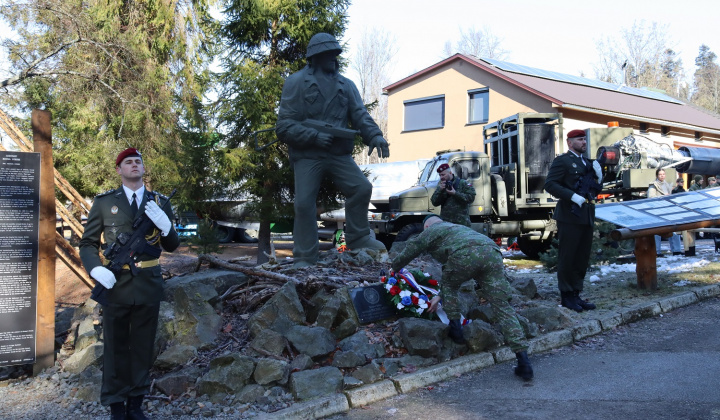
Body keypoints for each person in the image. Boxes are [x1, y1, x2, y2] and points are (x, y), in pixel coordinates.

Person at [79, 148, 179, 420]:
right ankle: (116, 406)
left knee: (143, 346)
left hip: (148, 283)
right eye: (128, 162)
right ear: (119, 170)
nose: (134, 165)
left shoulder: (158, 201)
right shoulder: (103, 203)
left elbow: (172, 245)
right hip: (116, 284)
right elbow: (87, 243)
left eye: (138, 161)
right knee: (115, 347)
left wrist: (166, 225)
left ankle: (135, 404)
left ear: (144, 169)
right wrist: (96, 269)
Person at [275, 33, 389, 268]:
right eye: (329, 54)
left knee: (361, 188)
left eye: (336, 54)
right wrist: (314, 136)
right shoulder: (296, 82)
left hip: (338, 154)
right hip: (308, 155)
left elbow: (359, 114)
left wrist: (375, 135)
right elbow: (284, 126)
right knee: (304, 203)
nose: (334, 59)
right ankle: (305, 256)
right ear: (315, 57)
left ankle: (358, 239)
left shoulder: (346, 85)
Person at [391, 215, 533, 380]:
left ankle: (456, 331)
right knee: (502, 308)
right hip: (492, 252)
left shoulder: (431, 230)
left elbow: (411, 249)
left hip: (465, 254)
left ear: (427, 227)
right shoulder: (456, 227)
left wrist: (394, 268)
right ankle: (524, 361)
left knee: (450, 286)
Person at [543, 129, 601, 312]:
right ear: (570, 143)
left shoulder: (588, 162)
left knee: (581, 257)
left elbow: (594, 189)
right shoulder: (563, 161)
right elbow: (550, 184)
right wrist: (572, 196)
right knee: (568, 256)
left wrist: (599, 177)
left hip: (587, 214)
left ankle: (576, 293)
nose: (584, 142)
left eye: (584, 139)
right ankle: (566, 296)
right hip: (570, 214)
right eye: (579, 139)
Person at [647, 168, 683, 256]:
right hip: (657, 211)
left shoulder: (667, 185)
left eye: (663, 174)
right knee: (657, 233)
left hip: (667, 211)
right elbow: (650, 198)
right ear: (657, 175)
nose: (662, 176)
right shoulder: (653, 185)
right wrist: (662, 198)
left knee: (674, 230)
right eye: (660, 174)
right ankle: (657, 251)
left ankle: (676, 250)